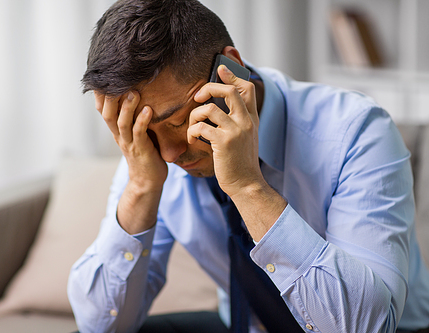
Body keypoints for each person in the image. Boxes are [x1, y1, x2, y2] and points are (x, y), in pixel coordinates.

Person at [67, 0, 429, 332]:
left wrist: (247, 187)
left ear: (231, 69)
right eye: (147, 133)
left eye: (179, 122)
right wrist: (142, 187)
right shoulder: (151, 155)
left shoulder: (358, 131)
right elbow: (100, 325)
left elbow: (366, 327)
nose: (170, 154)